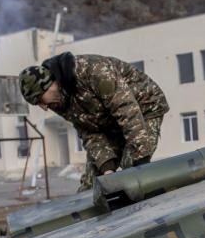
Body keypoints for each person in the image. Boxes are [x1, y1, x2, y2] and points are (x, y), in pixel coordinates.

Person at [19, 52, 169, 190]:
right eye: (38, 104)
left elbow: (127, 112)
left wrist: (140, 160)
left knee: (130, 172)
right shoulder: (57, 100)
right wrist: (107, 167)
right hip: (109, 122)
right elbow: (88, 131)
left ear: (50, 84)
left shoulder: (94, 71)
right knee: (92, 185)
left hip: (144, 108)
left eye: (40, 100)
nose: (44, 108)